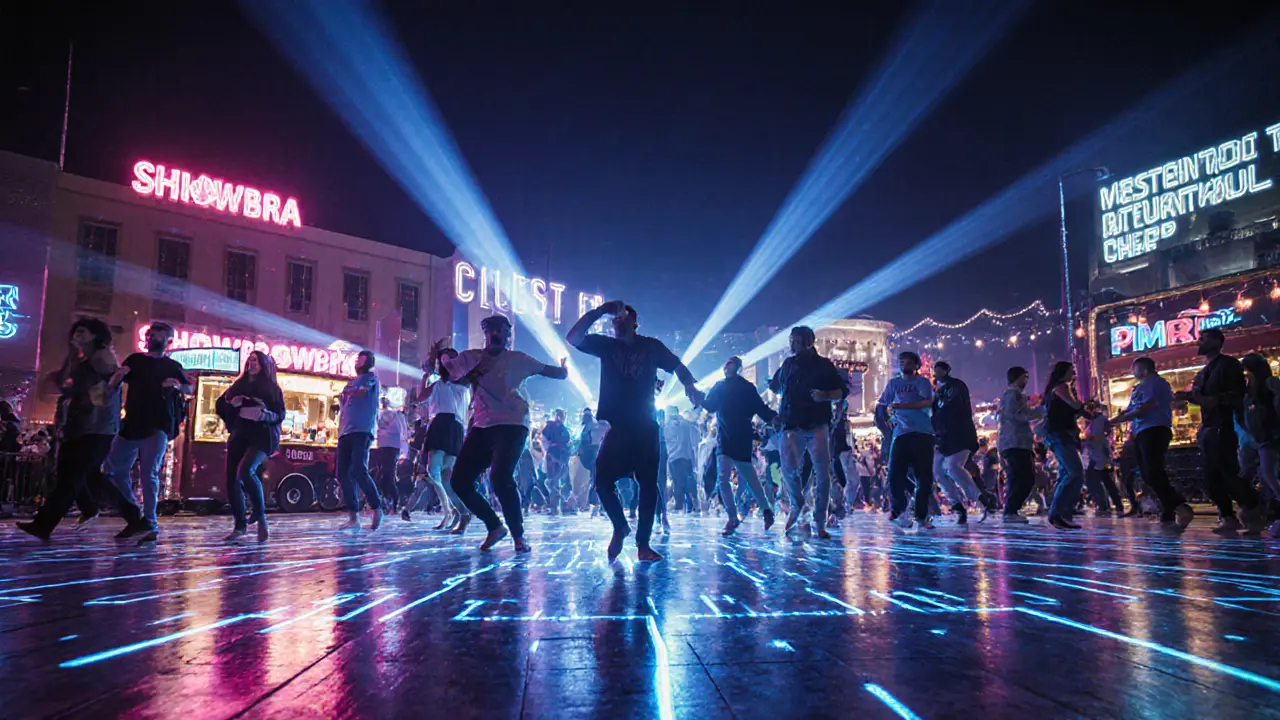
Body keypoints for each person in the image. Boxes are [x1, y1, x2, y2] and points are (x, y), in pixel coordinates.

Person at [568, 301, 703, 562]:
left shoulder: (651, 346)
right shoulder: (606, 346)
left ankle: (643, 545)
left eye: (621, 317)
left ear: (634, 321)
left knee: (648, 486)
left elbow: (676, 365)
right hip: (618, 427)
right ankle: (620, 526)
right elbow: (574, 337)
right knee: (603, 482)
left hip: (645, 426)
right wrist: (599, 311)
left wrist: (690, 386)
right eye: (613, 318)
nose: (616, 320)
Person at [442, 316, 569, 552]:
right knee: (459, 481)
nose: (496, 334)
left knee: (500, 478)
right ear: (486, 333)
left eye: (501, 331)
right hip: (482, 426)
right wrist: (442, 358)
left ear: (508, 335)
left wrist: (563, 369)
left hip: (513, 424)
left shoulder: (517, 359)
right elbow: (449, 374)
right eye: (491, 330)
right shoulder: (472, 357)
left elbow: (555, 373)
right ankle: (494, 526)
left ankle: (519, 536)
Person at [18, 319, 136, 541]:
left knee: (72, 476)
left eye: (83, 331)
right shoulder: (83, 358)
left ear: (95, 335)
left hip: (96, 426)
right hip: (80, 425)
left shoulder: (102, 356)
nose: (77, 335)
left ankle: (44, 525)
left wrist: (92, 394)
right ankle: (123, 516)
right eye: (76, 331)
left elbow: (109, 388)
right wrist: (72, 356)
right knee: (79, 474)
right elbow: (62, 382)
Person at [102, 322, 192, 543]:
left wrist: (177, 386)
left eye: (158, 335)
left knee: (148, 474)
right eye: (151, 334)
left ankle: (149, 521)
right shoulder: (135, 360)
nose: (153, 338)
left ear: (168, 340)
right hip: (132, 422)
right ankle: (136, 515)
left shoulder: (172, 365)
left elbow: (189, 387)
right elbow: (114, 384)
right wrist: (117, 376)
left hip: (158, 425)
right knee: (113, 471)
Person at [1175, 328, 1266, 534]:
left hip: (1225, 426)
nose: (1199, 343)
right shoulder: (1202, 372)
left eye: (1204, 339)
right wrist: (1189, 397)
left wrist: (1212, 400)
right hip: (1209, 428)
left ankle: (1254, 509)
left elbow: (1236, 395)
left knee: (1228, 473)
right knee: (1210, 476)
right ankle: (1228, 516)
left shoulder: (1228, 365)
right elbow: (1200, 397)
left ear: (1216, 341)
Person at [769, 326, 848, 537]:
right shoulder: (787, 364)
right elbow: (775, 386)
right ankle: (798, 506)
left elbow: (841, 391)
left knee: (823, 473)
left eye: (795, 340)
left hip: (817, 424)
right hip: (791, 423)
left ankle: (819, 521)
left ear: (807, 342)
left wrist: (825, 395)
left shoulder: (824, 365)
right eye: (790, 340)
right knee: (787, 470)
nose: (791, 344)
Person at [1108, 356, 1190, 527]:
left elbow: (1145, 407)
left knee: (1153, 471)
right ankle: (1170, 508)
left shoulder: (1157, 383)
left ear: (1145, 369)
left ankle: (1177, 505)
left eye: (1135, 368)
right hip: (1141, 432)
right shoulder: (1138, 388)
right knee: (1147, 473)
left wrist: (1120, 419)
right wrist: (1112, 421)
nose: (1132, 371)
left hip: (1155, 429)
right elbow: (1131, 410)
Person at [704, 356, 779, 536]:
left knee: (745, 476)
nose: (726, 366)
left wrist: (773, 417)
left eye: (729, 364)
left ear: (736, 367)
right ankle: (736, 516)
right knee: (732, 477)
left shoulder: (728, 386)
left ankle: (758, 512)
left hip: (733, 436)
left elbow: (709, 406)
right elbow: (710, 406)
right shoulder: (738, 387)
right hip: (734, 435)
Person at [215, 350, 283, 542]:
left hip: (262, 436)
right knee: (231, 480)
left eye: (256, 361)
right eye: (250, 360)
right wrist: (233, 405)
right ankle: (240, 525)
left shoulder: (271, 388)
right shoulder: (239, 384)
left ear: (263, 365)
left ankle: (261, 517)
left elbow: (280, 414)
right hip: (240, 434)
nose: (251, 364)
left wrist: (264, 412)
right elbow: (221, 404)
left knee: (246, 470)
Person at [404, 348, 470, 528]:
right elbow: (421, 396)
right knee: (440, 475)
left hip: (449, 426)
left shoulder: (461, 383)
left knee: (439, 475)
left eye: (449, 361)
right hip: (447, 426)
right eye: (443, 362)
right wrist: (427, 376)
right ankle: (459, 512)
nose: (446, 365)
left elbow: (422, 396)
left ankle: (454, 512)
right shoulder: (442, 383)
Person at [876, 351, 936, 530]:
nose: (905, 365)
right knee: (894, 475)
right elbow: (882, 405)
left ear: (917, 365)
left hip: (922, 433)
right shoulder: (894, 384)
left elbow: (927, 402)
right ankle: (899, 510)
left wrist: (902, 406)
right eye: (902, 362)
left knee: (923, 477)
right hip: (900, 434)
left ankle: (921, 516)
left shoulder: (923, 383)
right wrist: (885, 426)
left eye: (909, 362)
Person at [930, 361, 991, 524]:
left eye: (939, 370)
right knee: (938, 472)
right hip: (942, 438)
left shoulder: (955, 387)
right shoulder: (935, 394)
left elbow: (954, 409)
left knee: (953, 467)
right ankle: (957, 506)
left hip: (959, 436)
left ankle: (979, 499)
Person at [1041, 361, 1097, 530]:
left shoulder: (1062, 388)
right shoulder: (1061, 387)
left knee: (1067, 473)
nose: (1073, 373)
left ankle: (1062, 514)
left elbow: (1077, 409)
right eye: (1071, 370)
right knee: (1075, 472)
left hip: (1061, 436)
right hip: (1060, 435)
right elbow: (1075, 405)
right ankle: (1058, 513)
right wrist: (1088, 405)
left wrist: (1087, 410)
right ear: (1063, 372)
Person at [337, 350, 384, 531]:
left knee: (359, 469)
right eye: (357, 358)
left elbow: (360, 391)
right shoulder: (351, 382)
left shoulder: (371, 378)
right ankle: (354, 517)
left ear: (368, 361)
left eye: (361, 357)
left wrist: (349, 390)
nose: (357, 360)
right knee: (342, 473)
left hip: (362, 430)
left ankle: (377, 507)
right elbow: (344, 405)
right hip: (345, 432)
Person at [1238, 353, 1280, 535]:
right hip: (1262, 438)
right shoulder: (1250, 390)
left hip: (1272, 436)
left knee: (1269, 475)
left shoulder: (1269, 384)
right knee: (1267, 475)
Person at [997, 366, 1045, 523]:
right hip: (1015, 442)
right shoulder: (1013, 394)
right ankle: (1011, 510)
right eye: (1025, 377)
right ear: (1017, 377)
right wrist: (1040, 411)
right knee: (1025, 478)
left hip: (1014, 443)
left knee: (1016, 478)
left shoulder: (1014, 395)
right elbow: (1017, 415)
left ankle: (1010, 511)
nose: (1026, 380)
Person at [664, 406, 700, 514]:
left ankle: (680, 506)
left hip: (674, 457)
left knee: (677, 482)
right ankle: (690, 505)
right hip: (686, 456)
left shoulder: (668, 425)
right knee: (685, 481)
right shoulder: (686, 423)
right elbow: (695, 440)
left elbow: (666, 439)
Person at [374, 397, 408, 512]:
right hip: (384, 446)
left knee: (388, 475)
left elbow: (403, 432)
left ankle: (393, 502)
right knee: (383, 474)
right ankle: (388, 501)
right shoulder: (380, 413)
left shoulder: (397, 415)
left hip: (392, 447)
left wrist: (404, 450)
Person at [541, 409, 573, 513]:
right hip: (553, 455)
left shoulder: (562, 428)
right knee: (552, 481)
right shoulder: (550, 426)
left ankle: (558, 504)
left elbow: (567, 440)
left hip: (560, 455)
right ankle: (556, 504)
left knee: (557, 480)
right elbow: (545, 438)